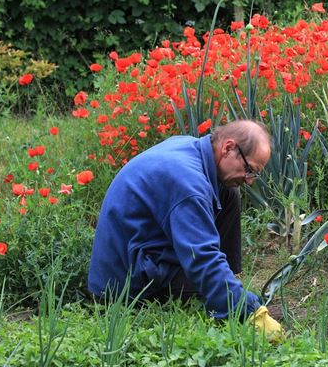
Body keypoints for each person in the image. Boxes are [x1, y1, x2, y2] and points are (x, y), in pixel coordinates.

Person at [88, 119, 282, 340]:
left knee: (230, 192)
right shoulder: (188, 184)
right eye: (249, 170)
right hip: (124, 283)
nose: (249, 181)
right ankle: (228, 297)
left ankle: (228, 282)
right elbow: (201, 257)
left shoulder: (194, 149)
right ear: (228, 148)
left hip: (144, 250)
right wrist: (246, 310)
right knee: (212, 281)